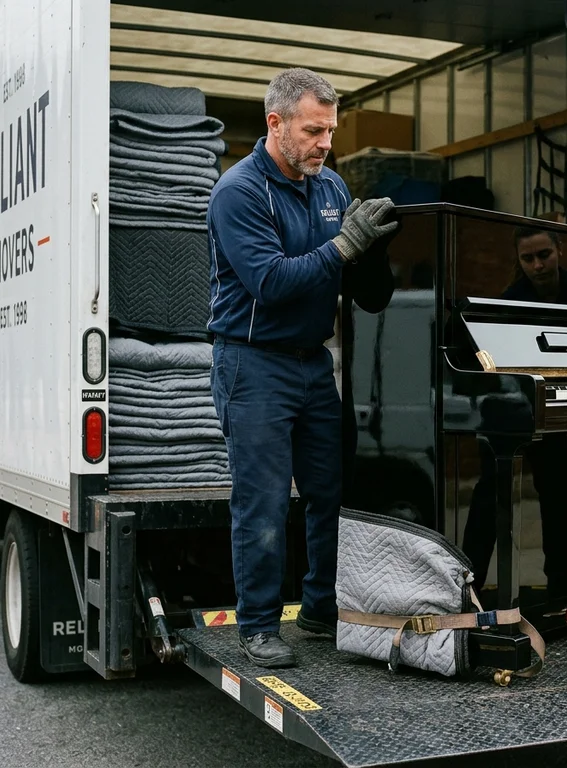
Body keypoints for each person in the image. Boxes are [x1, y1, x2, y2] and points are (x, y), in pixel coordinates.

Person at [206, 68, 397, 669]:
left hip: (314, 363)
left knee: (330, 492)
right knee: (263, 504)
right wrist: (344, 247)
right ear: (276, 123)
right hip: (252, 362)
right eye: (314, 131)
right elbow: (270, 282)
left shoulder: (331, 187)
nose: (325, 144)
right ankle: (259, 626)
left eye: (330, 131)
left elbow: (362, 288)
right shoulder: (238, 192)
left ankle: (320, 608)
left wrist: (373, 253)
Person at [461, 226, 567, 600]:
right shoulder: (511, 300)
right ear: (519, 260)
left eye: (544, 255)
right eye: (528, 258)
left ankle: (561, 577)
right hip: (509, 409)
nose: (537, 265)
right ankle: (468, 586)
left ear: (559, 250)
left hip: (553, 403)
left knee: (558, 491)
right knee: (491, 497)